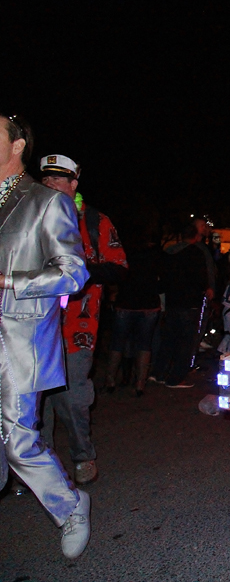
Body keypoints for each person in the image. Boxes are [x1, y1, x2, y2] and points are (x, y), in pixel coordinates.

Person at [0, 114, 91, 558]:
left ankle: (71, 505)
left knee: (19, 441)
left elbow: (74, 272)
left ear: (17, 146)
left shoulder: (46, 203)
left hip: (18, 340)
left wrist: (9, 281)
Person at [38, 154, 128, 485]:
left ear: (73, 184)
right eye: (45, 179)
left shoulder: (94, 221)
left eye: (57, 179)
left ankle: (82, 455)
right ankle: (40, 465)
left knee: (71, 396)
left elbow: (119, 268)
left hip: (77, 326)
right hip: (33, 324)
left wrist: (76, 272)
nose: (49, 184)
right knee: (35, 399)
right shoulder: (31, 216)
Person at [105, 224, 163, 397]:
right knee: (144, 344)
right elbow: (162, 278)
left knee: (118, 342)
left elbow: (116, 275)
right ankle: (140, 384)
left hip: (126, 301)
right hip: (149, 302)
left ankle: (110, 381)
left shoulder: (125, 253)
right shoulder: (156, 255)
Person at [151, 223, 210, 389]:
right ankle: (176, 378)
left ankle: (158, 372)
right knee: (186, 342)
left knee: (168, 339)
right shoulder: (195, 253)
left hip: (172, 302)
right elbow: (201, 280)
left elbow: (163, 278)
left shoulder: (170, 252)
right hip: (189, 303)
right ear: (195, 236)